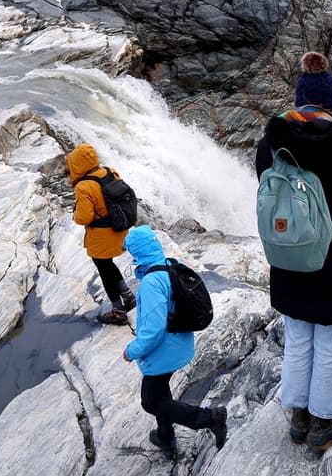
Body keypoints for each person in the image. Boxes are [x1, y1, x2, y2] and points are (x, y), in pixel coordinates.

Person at [255, 51, 332, 450]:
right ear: (331, 104)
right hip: (331, 259)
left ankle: (298, 418)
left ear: (299, 100)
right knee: (331, 341)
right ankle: (325, 422)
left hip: (288, 255)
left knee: (298, 336)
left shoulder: (271, 142)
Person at [121, 225, 228, 455]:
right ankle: (165, 436)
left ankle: (210, 418)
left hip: (163, 352)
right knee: (161, 394)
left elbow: (153, 330)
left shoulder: (151, 283)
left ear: (137, 253)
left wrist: (132, 350)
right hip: (179, 343)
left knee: (151, 402)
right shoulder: (170, 265)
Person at [67, 144, 136, 325]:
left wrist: (75, 214)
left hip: (101, 236)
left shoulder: (83, 186)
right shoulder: (110, 172)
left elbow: (84, 217)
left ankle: (118, 312)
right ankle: (129, 297)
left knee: (105, 272)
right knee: (108, 265)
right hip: (119, 228)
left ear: (77, 165)